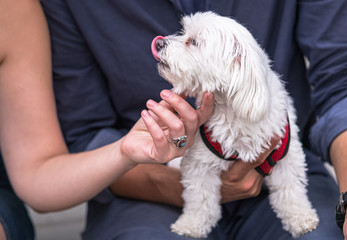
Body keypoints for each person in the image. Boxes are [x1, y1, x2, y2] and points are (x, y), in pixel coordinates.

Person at [40, 0, 347, 239]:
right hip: (142, 186)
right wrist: (166, 181)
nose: (169, 42)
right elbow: (84, 136)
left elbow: (345, 82)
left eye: (191, 42)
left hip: (279, 172)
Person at [0, 0, 215, 239]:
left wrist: (123, 152)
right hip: (143, 198)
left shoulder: (12, 11)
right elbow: (76, 141)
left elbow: (37, 172)